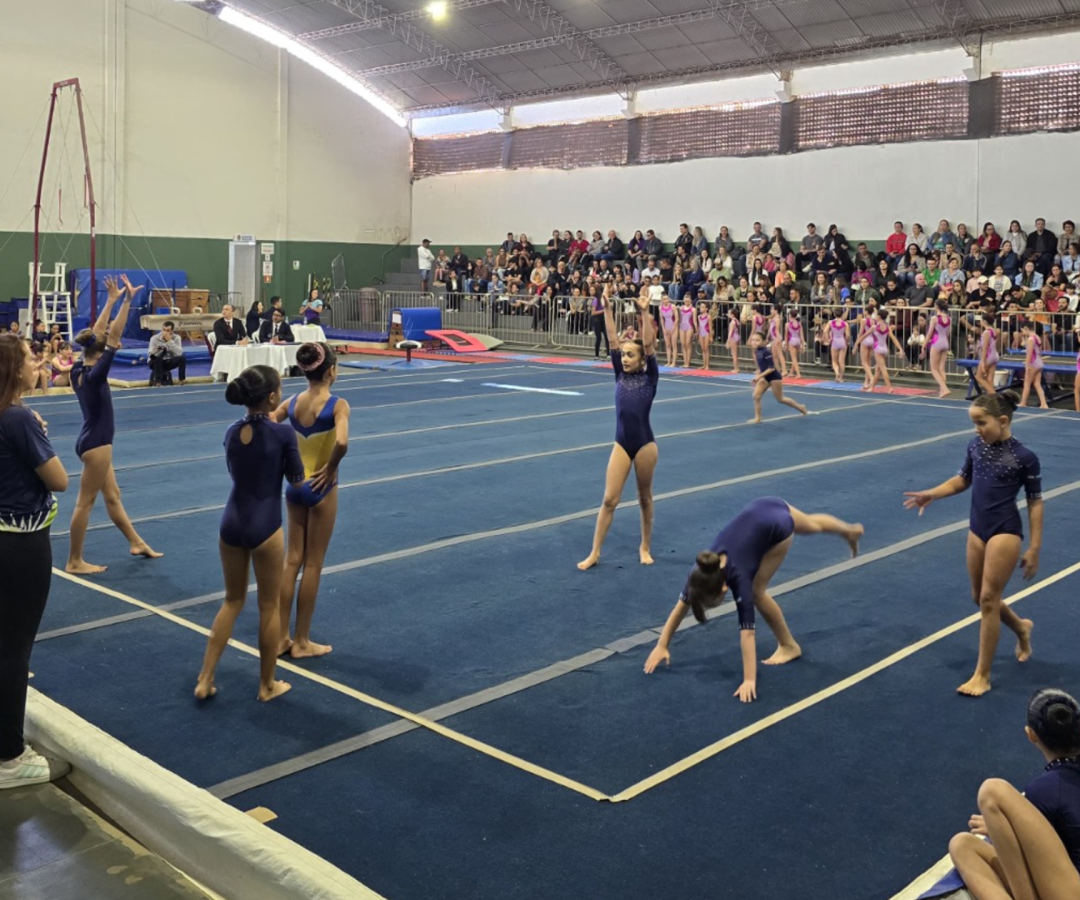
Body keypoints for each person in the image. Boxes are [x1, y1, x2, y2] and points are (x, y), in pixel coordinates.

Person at [644, 497, 862, 702]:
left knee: (758, 592)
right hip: (765, 505)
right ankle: (848, 530)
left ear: (724, 587)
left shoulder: (739, 577)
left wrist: (749, 679)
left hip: (778, 530)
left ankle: (789, 646)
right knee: (813, 525)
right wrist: (662, 645)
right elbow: (680, 608)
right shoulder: (701, 573)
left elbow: (747, 633)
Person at [903, 390, 1040, 696]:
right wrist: (932, 493)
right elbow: (963, 479)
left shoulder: (1024, 457)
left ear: (1002, 421)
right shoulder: (976, 446)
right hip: (977, 528)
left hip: (1005, 530)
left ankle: (983, 674)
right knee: (978, 596)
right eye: (974, 423)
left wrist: (1034, 547)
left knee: (990, 600)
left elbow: (1035, 503)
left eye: (981, 422)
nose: (976, 428)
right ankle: (1021, 627)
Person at [195, 365, 303, 702]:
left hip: (231, 522)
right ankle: (267, 685)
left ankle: (204, 678)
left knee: (232, 600)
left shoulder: (230, 432)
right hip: (265, 525)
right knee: (268, 606)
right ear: (272, 397)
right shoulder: (283, 434)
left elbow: (235, 471)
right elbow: (296, 480)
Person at [0, 334, 70, 789]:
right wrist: (35, 434)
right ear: (12, 369)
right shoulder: (19, 418)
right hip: (19, 545)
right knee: (13, 649)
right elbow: (59, 479)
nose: (38, 362)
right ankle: (9, 757)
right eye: (29, 357)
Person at [66, 276, 162, 574]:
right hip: (97, 443)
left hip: (91, 439)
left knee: (112, 496)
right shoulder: (96, 376)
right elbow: (113, 335)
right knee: (85, 504)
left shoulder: (78, 369)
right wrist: (129, 301)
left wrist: (110, 300)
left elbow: (98, 335)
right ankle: (74, 561)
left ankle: (136, 541)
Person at [948, 688, 1080, 900]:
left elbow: (1037, 856)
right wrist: (1003, 829)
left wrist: (1008, 832)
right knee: (962, 844)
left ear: (1031, 735)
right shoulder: (1051, 789)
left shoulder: (1044, 791)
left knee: (993, 792)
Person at [274, 343, 350, 659]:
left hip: (294, 486)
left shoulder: (292, 403)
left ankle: (280, 637)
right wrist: (330, 468)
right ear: (331, 370)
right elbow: (342, 442)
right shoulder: (337, 405)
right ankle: (302, 641)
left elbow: (264, 420)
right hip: (321, 488)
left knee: (292, 560)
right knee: (313, 564)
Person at [578, 288, 658, 571]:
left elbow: (649, 345)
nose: (624, 359)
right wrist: (609, 309)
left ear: (641, 360)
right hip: (622, 443)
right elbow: (612, 339)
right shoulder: (618, 374)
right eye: (623, 355)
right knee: (610, 499)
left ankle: (644, 546)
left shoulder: (650, 378)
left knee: (644, 498)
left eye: (630, 356)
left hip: (646, 444)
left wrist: (646, 313)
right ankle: (595, 552)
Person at [747, 332, 807, 424]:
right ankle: (758, 418)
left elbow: (771, 368)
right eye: (753, 340)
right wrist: (758, 375)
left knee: (780, 399)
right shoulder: (757, 351)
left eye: (757, 340)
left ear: (764, 342)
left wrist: (759, 376)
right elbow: (762, 366)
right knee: (756, 396)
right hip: (765, 377)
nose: (754, 342)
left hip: (774, 377)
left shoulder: (766, 352)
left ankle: (800, 407)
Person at [866, 309, 904, 393]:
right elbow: (893, 339)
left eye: (876, 316)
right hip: (884, 349)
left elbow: (865, 335)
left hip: (878, 348)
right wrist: (900, 348)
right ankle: (872, 387)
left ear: (879, 317)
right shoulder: (887, 327)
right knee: (878, 370)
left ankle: (889, 387)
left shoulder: (875, 327)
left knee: (883, 369)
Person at [922, 298, 952, 398]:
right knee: (942, 369)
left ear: (936, 307)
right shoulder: (949, 318)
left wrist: (924, 345)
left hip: (937, 342)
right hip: (945, 342)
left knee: (934, 369)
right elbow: (948, 333)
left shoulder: (934, 318)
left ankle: (945, 388)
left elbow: (930, 333)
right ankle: (942, 391)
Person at [148, 320, 186, 386]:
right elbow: (150, 355)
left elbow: (179, 353)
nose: (165, 332)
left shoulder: (176, 338)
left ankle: (181, 380)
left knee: (182, 358)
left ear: (172, 331)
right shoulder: (154, 338)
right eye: (164, 330)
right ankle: (158, 382)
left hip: (167, 361)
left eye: (168, 330)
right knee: (158, 358)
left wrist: (170, 341)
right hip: (154, 362)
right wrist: (157, 351)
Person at [976, 312, 1000, 396]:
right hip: (995, 355)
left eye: (981, 320)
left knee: (979, 377)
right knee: (990, 379)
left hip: (989, 356)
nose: (980, 322)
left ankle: (994, 394)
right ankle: (991, 397)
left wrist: (982, 361)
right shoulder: (994, 331)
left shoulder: (986, 332)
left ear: (985, 322)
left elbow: (985, 348)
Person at [828, 308, 849, 382]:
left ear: (834, 314)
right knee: (841, 361)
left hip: (835, 341)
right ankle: (841, 377)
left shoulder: (831, 322)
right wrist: (847, 341)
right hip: (842, 341)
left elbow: (825, 331)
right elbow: (847, 335)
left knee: (834, 361)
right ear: (842, 314)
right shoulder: (845, 323)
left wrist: (827, 339)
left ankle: (837, 373)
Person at [783, 308, 803, 378]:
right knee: (795, 357)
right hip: (797, 340)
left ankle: (798, 374)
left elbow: (786, 335)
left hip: (792, 340)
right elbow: (801, 334)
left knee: (794, 359)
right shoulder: (799, 324)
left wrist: (786, 344)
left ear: (790, 315)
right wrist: (802, 344)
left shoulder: (787, 324)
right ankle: (791, 372)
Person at [659, 295, 677, 368]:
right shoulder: (660, 307)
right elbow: (662, 319)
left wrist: (673, 328)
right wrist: (663, 328)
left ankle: (674, 362)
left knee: (674, 345)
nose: (666, 300)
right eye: (664, 299)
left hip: (673, 326)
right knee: (668, 345)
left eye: (667, 299)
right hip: (666, 326)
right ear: (662, 300)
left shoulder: (673, 306)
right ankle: (668, 361)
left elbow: (677, 318)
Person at [726, 306, 742, 373]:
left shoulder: (732, 322)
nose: (727, 314)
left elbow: (730, 332)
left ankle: (736, 368)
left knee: (734, 354)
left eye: (729, 313)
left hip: (733, 337)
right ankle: (737, 367)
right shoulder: (736, 320)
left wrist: (728, 341)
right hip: (737, 336)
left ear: (732, 314)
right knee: (735, 353)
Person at [696, 302, 711, 369]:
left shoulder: (708, 316)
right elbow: (699, 326)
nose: (701, 308)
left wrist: (711, 336)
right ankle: (704, 364)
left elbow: (710, 327)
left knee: (706, 348)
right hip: (701, 333)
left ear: (706, 309)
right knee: (703, 349)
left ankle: (707, 365)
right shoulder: (699, 317)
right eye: (700, 307)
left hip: (706, 333)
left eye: (702, 307)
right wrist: (698, 335)